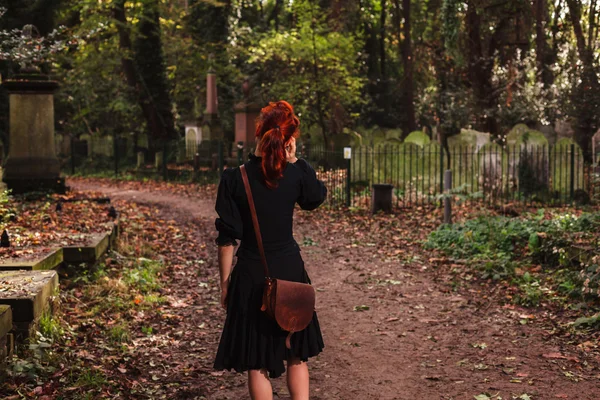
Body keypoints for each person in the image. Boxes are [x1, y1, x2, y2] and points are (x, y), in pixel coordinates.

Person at [213, 100, 327, 400]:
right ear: (289, 140)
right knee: (296, 352)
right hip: (290, 271)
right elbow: (315, 198)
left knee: (257, 359)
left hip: (252, 274)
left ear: (258, 134)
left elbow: (227, 238)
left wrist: (225, 284)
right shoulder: (295, 174)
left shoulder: (233, 178)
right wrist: (297, 161)